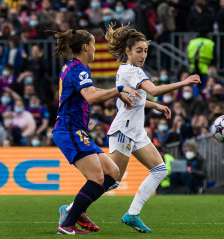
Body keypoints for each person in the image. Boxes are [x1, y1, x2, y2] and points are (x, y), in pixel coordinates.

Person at [104, 24, 201, 233]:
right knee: (111, 181)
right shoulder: (132, 70)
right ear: (128, 51)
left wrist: (154, 105)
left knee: (159, 170)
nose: (143, 55)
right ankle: (72, 209)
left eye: (146, 51)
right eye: (139, 50)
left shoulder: (128, 70)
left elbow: (137, 99)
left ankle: (132, 214)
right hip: (125, 130)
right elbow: (155, 90)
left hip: (136, 131)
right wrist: (184, 82)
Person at [52, 29, 139, 235]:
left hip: (77, 131)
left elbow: (90, 91)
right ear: (85, 47)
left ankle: (74, 209)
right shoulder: (79, 69)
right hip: (69, 130)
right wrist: (119, 89)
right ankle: (66, 225)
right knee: (97, 178)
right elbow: (91, 97)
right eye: (93, 45)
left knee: (113, 173)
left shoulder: (76, 67)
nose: (95, 49)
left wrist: (119, 93)